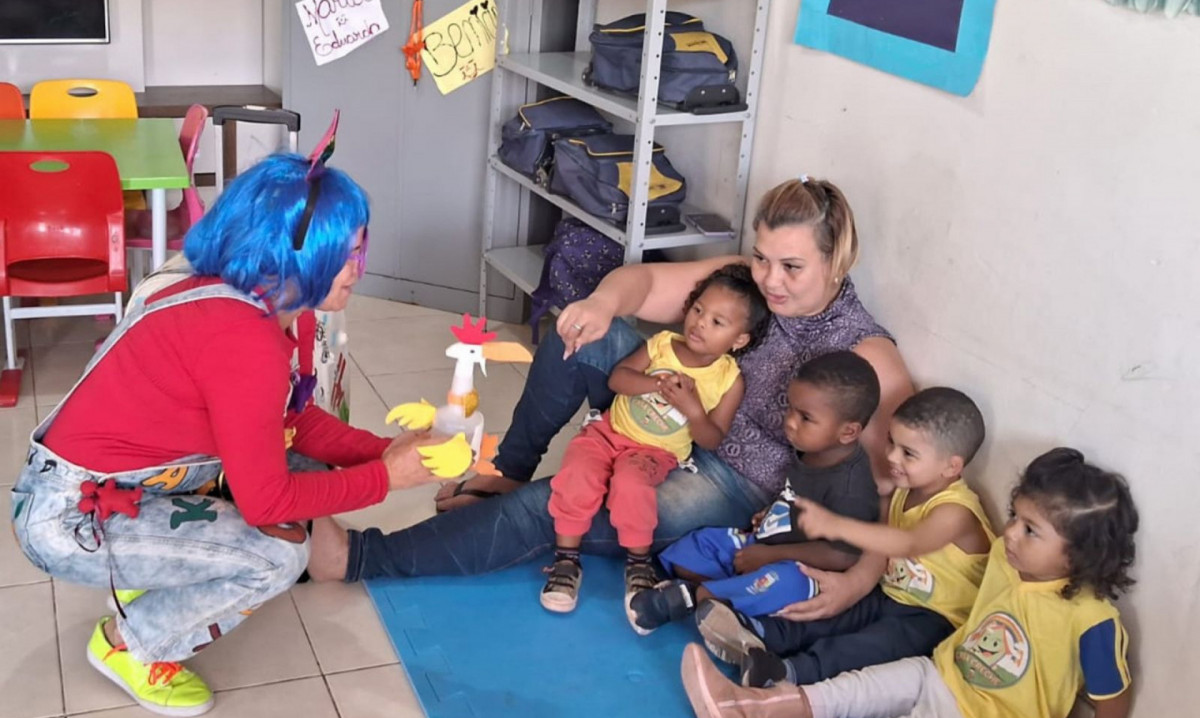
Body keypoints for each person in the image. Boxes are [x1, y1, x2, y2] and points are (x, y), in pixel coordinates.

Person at [308, 177, 914, 616]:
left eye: (791, 268)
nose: (770, 280)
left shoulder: (866, 355)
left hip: (728, 480)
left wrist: (858, 582)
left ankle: (360, 558)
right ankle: (509, 470)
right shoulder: (748, 281)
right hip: (661, 411)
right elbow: (642, 281)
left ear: (837, 261)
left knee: (554, 506)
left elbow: (902, 492)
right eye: (761, 258)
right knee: (576, 332)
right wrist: (600, 305)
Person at [9, 151, 441, 718]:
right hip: (68, 519)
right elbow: (268, 502)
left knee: (287, 497)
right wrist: (388, 477)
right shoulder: (244, 339)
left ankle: (157, 573)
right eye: (346, 252)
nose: (357, 268)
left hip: (113, 486)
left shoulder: (250, 301)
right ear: (292, 251)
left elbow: (289, 421)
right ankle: (130, 646)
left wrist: (383, 450)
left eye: (360, 249)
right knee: (278, 554)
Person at [679, 447, 1138, 718]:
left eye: (1030, 530)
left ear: (1080, 554)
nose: (1011, 532)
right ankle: (742, 709)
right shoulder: (1005, 556)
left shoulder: (1091, 618)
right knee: (845, 692)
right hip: (940, 672)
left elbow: (1113, 693)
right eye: (1015, 517)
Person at [694, 387, 995, 688]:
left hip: (933, 619)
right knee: (826, 613)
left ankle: (786, 672)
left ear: (951, 466)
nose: (891, 456)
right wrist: (853, 584)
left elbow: (909, 543)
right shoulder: (903, 491)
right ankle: (756, 633)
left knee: (867, 646)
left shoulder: (957, 512)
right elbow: (880, 547)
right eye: (891, 441)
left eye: (908, 453)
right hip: (887, 594)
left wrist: (836, 526)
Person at [541, 264, 769, 623]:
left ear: (739, 340)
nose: (700, 324)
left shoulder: (729, 380)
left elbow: (712, 439)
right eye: (698, 310)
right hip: (608, 432)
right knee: (577, 472)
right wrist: (656, 384)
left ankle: (639, 565)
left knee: (631, 488)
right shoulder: (663, 344)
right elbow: (618, 379)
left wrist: (693, 410)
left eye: (717, 322)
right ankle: (566, 561)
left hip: (654, 453)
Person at [627, 350, 881, 633]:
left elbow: (843, 555)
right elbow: (795, 497)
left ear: (848, 432)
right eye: (791, 409)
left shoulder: (851, 488)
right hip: (762, 543)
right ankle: (726, 598)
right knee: (695, 547)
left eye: (806, 418)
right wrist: (772, 514)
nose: (790, 421)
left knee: (787, 584)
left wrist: (770, 556)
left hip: (795, 566)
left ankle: (693, 597)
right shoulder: (813, 449)